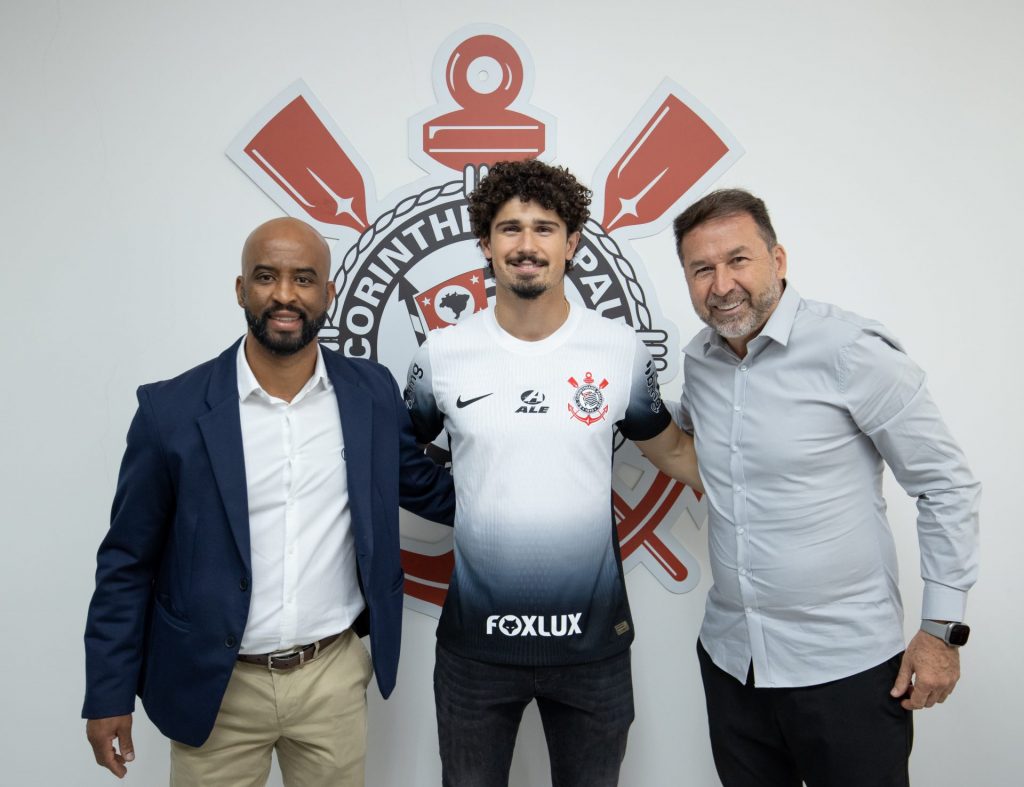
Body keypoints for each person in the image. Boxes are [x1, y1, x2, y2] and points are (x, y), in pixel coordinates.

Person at [83, 217, 455, 786]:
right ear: (241, 290)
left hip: (331, 675)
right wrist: (108, 693)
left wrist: (523, 493)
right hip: (217, 687)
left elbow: (422, 485)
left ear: (328, 294)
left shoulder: (371, 394)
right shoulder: (171, 412)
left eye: (304, 279)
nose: (285, 294)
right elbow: (126, 562)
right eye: (266, 276)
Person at [403, 158, 702, 787]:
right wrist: (471, 504)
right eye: (509, 229)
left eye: (544, 228)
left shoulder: (619, 351)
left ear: (572, 243)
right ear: (485, 244)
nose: (527, 244)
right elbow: (400, 454)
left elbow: (674, 452)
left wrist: (772, 486)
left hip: (590, 647)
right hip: (475, 650)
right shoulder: (443, 354)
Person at [671, 188, 980, 787]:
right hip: (734, 666)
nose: (722, 284)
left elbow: (944, 483)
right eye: (701, 269)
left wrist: (941, 631)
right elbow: (684, 438)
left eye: (739, 260)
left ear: (778, 260)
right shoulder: (701, 362)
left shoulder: (851, 351)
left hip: (847, 670)